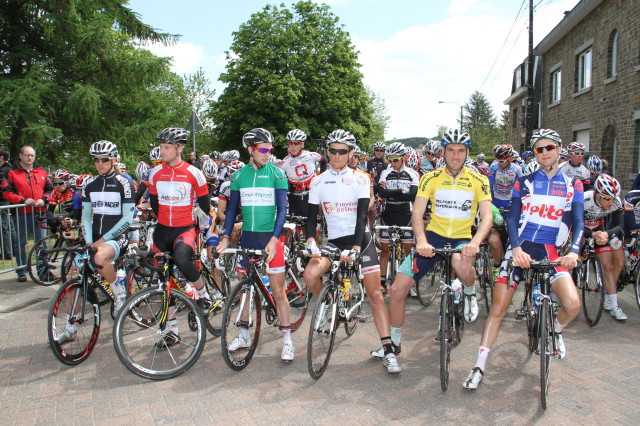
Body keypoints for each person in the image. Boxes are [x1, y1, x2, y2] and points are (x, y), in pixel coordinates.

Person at [463, 128, 583, 390]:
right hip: (521, 249)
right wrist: (515, 248)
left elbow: (579, 221)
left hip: (552, 252)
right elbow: (513, 219)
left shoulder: (573, 183)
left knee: (573, 305)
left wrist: (574, 251)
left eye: (549, 147)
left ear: (559, 150)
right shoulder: (524, 181)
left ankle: (554, 331)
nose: (545, 152)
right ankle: (479, 366)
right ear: (535, 154)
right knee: (498, 310)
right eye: (539, 149)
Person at [383, 129, 492, 367]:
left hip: (462, 239)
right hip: (433, 238)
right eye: (451, 150)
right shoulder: (430, 178)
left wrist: (474, 243)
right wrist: (421, 241)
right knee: (398, 289)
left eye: (461, 150)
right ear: (443, 152)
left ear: (467, 153)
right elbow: (417, 214)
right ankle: (394, 343)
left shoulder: (479, 180)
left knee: (461, 266)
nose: (456, 155)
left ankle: (469, 291)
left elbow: (486, 217)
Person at [303, 129, 401, 374]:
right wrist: (311, 240)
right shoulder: (318, 181)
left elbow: (361, 216)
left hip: (360, 240)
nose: (337, 155)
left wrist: (356, 248)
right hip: (335, 241)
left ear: (350, 154)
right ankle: (327, 301)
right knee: (310, 275)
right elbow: (310, 218)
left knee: (375, 295)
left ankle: (388, 350)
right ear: (328, 152)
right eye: (333, 150)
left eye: (342, 151)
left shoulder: (360, 179)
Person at [216, 128, 294, 361]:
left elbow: (282, 210)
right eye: (263, 150)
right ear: (250, 150)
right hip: (248, 238)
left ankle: (287, 340)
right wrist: (225, 236)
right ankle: (243, 334)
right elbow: (231, 210)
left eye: (270, 150)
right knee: (245, 289)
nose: (267, 154)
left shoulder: (277, 174)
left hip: (270, 237)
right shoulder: (238, 176)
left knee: (278, 292)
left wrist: (274, 239)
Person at [146, 128, 213, 347]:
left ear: (179, 148)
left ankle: (203, 294)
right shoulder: (155, 173)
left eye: (167, 147)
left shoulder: (194, 173)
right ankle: (172, 332)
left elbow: (205, 205)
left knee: (183, 260)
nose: (162, 151)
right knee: (164, 281)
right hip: (162, 230)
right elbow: (154, 203)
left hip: (185, 228)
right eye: (161, 147)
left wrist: (202, 227)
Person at [82, 141, 135, 315]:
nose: (100, 163)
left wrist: (100, 242)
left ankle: (119, 293)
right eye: (96, 159)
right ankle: (70, 323)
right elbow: (85, 217)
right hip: (96, 237)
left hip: (117, 237)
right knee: (76, 270)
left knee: (98, 257)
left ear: (113, 160)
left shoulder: (124, 183)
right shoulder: (89, 184)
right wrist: (89, 242)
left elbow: (127, 219)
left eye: (104, 159)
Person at [2, 145, 53, 282]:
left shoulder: (41, 172)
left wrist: (44, 200)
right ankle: (22, 270)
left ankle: (43, 271)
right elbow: (6, 192)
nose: (30, 158)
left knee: (41, 243)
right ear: (21, 156)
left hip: (40, 212)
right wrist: (22, 200)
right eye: (27, 155)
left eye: (32, 155)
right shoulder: (12, 172)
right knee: (21, 243)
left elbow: (50, 190)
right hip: (21, 214)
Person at [376, 142, 419, 294]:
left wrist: (392, 193)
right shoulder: (385, 173)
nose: (392, 163)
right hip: (388, 213)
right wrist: (400, 191)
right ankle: (382, 282)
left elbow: (412, 195)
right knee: (384, 250)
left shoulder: (412, 174)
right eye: (390, 160)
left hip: (405, 214)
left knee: (408, 250)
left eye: (396, 160)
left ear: (403, 158)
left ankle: (410, 283)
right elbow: (382, 193)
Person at [583, 174, 627, 320]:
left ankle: (614, 306)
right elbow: (573, 223)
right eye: (607, 198)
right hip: (582, 232)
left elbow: (620, 225)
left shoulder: (615, 202)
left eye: (613, 198)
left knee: (608, 266)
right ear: (597, 194)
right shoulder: (584, 199)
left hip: (601, 233)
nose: (611, 202)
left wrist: (606, 234)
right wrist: (591, 234)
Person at [278, 129, 324, 217]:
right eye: (290, 143)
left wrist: (322, 177)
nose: (293, 146)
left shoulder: (310, 155)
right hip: (294, 196)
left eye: (296, 143)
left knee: (311, 220)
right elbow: (278, 178)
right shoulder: (286, 161)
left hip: (310, 194)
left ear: (302, 144)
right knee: (294, 221)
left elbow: (324, 160)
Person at [0, 149, 15, 260]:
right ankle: (11, 251)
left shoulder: (4, 170)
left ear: (1, 157)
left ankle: (7, 253)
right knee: (9, 226)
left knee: (5, 227)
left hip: (3, 201)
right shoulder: (9, 168)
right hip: (7, 201)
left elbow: (4, 187)